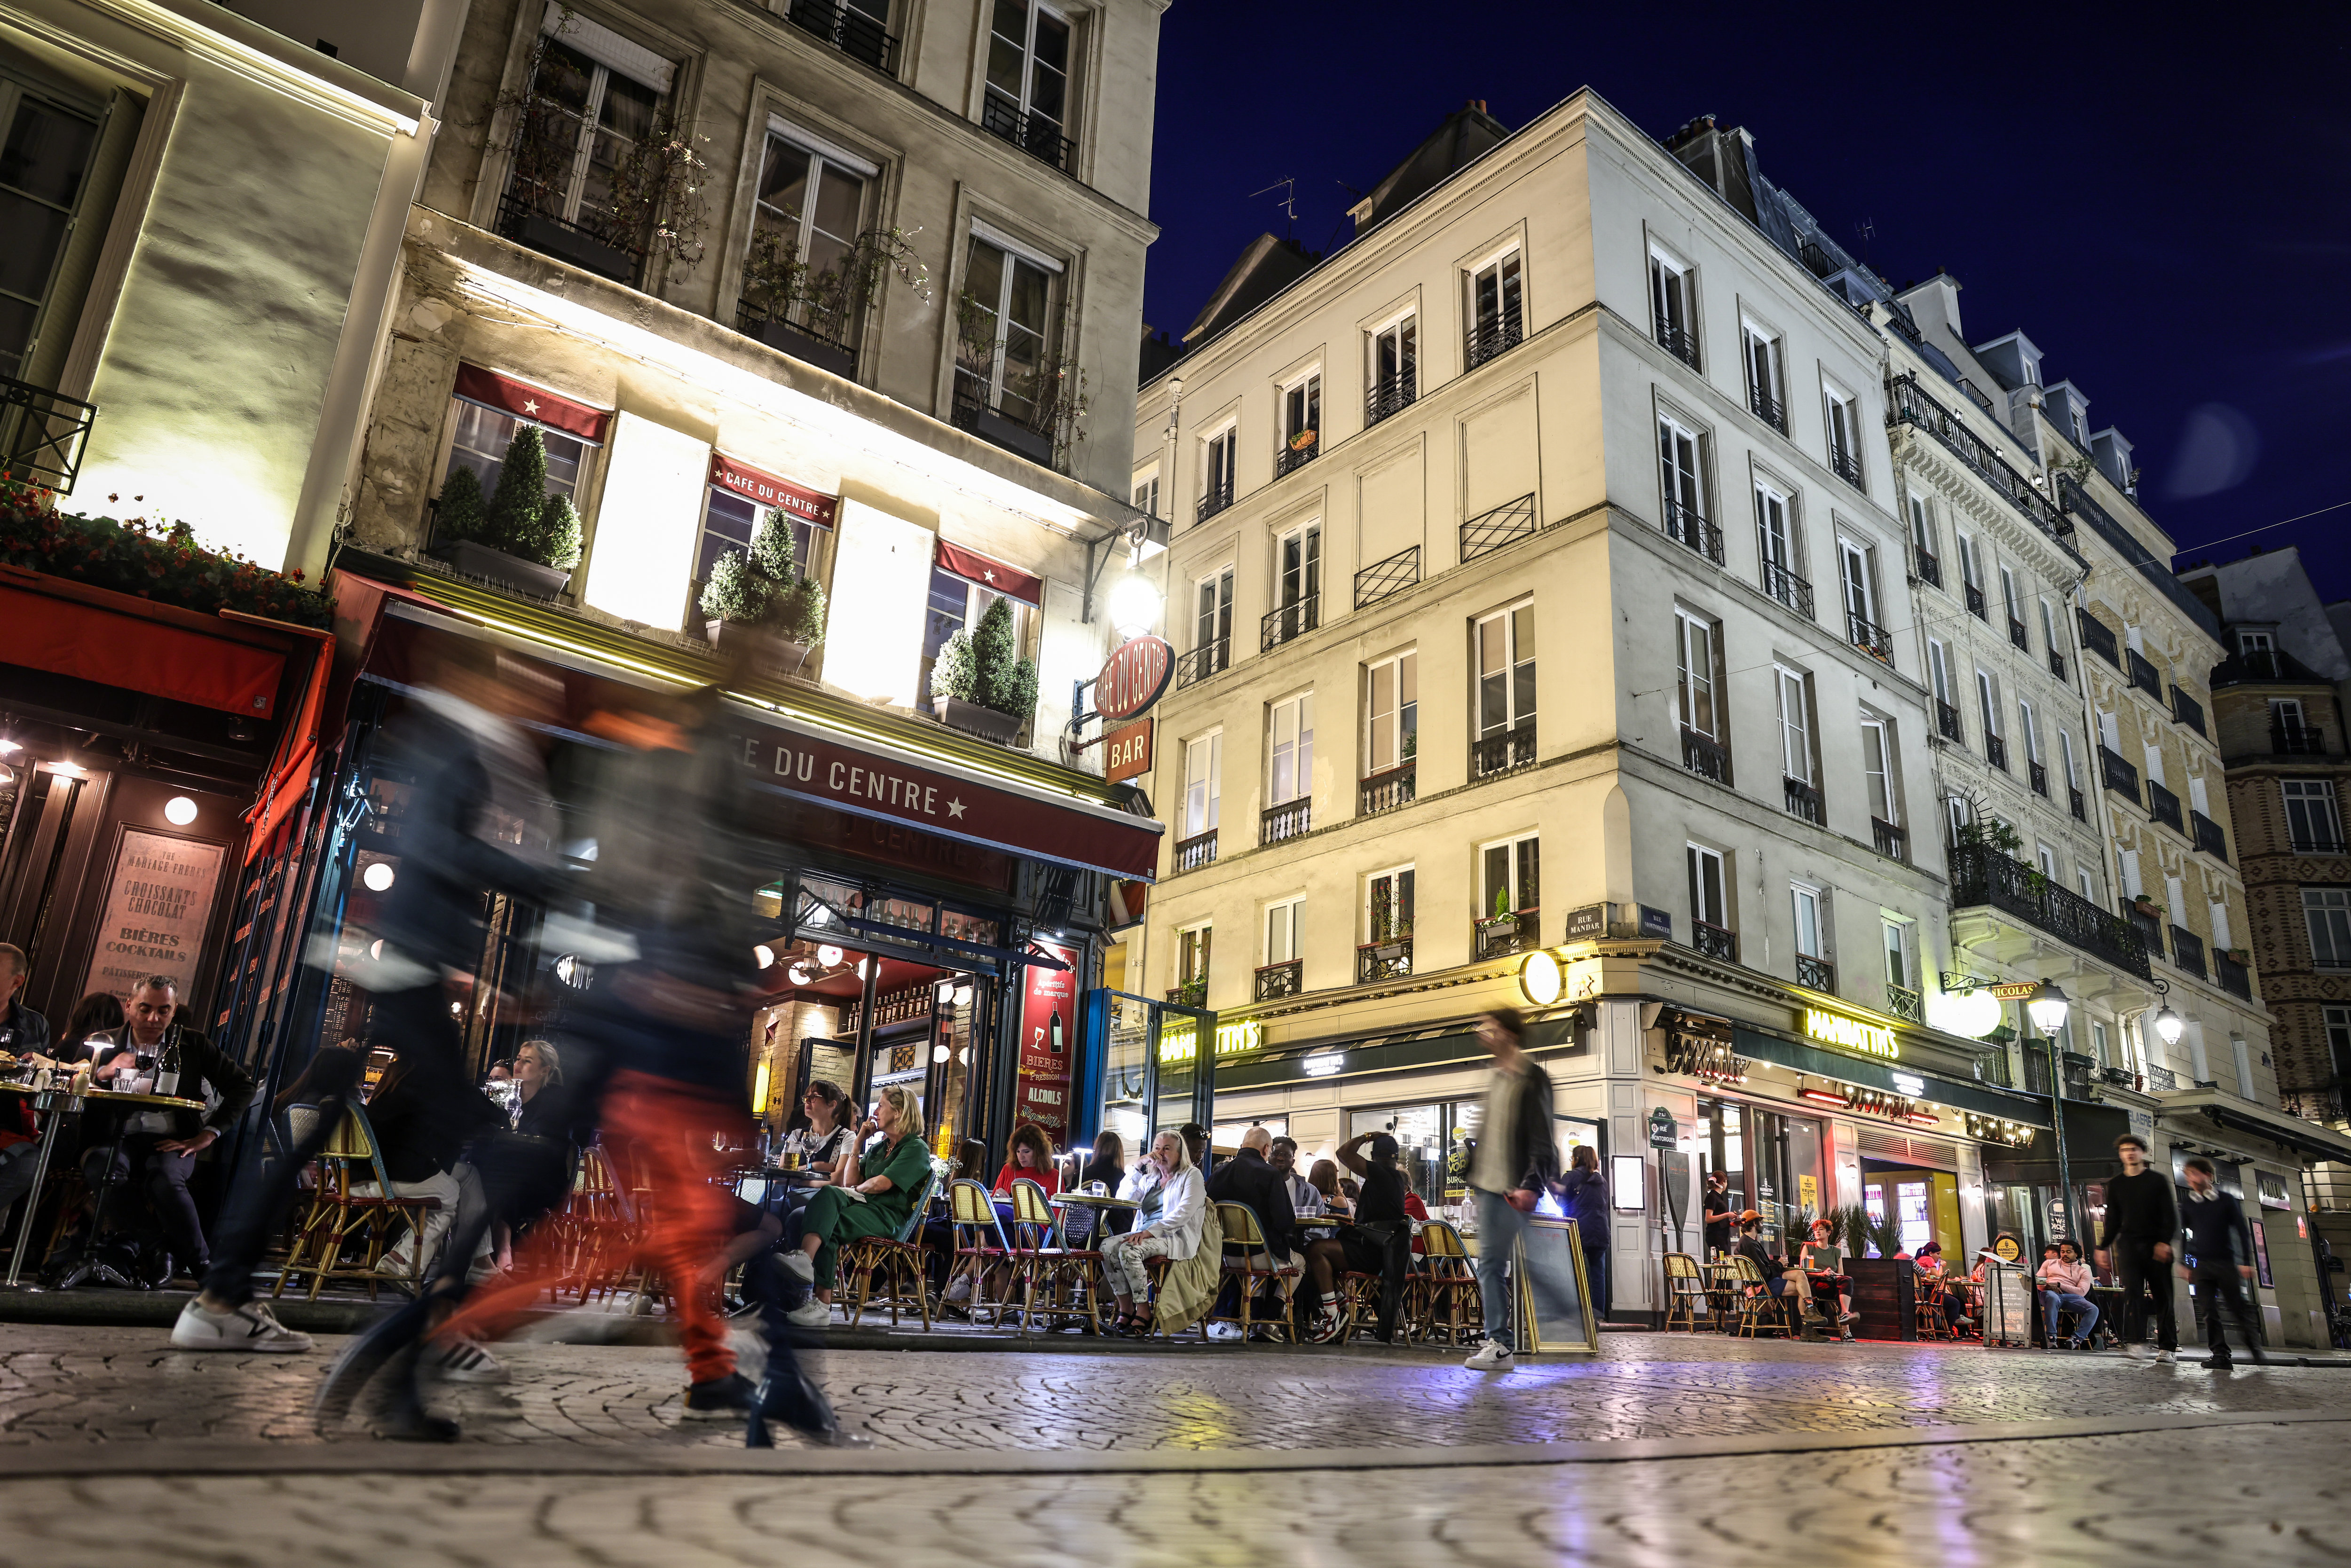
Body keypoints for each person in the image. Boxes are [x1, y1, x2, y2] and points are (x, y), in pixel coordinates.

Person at [179, 639, 563, 1356]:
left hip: (410, 967)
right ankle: (442, 1321)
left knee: (334, 1122)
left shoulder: (448, 743)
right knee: (480, 1128)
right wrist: (548, 881)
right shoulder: (461, 749)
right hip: (412, 967)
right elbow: (446, 853)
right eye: (524, 691)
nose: (536, 708)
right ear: (480, 682)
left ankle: (224, 1292)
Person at [81, 976, 254, 1284]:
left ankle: (202, 1265)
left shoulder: (194, 1044)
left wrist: (209, 1133)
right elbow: (72, 1083)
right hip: (117, 1136)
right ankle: (162, 1250)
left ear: (174, 1011)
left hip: (172, 1138)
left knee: (165, 1181)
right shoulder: (103, 1043)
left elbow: (242, 1086)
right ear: (129, 1005)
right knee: (102, 1168)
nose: (153, 1018)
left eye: (164, 1010)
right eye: (145, 1008)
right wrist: (103, 1072)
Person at [1464, 1007, 1573, 1371]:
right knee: (1499, 1262)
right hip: (1489, 1185)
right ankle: (1511, 1337)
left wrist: (1532, 1184)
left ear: (1508, 1035)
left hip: (1513, 1186)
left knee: (1507, 1262)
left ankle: (1511, 1338)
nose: (1484, 1035)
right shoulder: (1496, 1077)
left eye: (1490, 1030)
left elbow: (1541, 1137)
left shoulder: (1532, 1078)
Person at [783, 1083, 932, 1324]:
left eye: (881, 1106)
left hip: (889, 1217)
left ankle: (806, 1266)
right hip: (862, 1209)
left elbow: (881, 1184)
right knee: (826, 1220)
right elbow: (850, 1180)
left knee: (830, 1200)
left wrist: (853, 1191)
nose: (875, 1113)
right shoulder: (879, 1148)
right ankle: (820, 1303)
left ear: (898, 1112)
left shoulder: (916, 1147)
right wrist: (858, 1142)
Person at [1099, 1129, 1205, 1334]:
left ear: (1180, 1153)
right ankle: (1126, 1309)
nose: (1161, 1153)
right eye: (1157, 1148)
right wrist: (1138, 1166)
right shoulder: (1150, 1179)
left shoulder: (1192, 1176)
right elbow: (1123, 1199)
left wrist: (1151, 1232)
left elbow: (1184, 1213)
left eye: (1167, 1149)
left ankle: (1143, 1311)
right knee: (1107, 1247)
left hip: (1172, 1237)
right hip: (1142, 1233)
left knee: (1129, 1251)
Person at [1203, 1124, 1300, 1340]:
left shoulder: (1218, 1174)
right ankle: (1269, 1319)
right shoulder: (1270, 1174)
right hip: (1260, 1258)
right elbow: (1285, 1223)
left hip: (1225, 1257)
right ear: (1267, 1149)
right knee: (1300, 1263)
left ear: (1242, 1146)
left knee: (1258, 1270)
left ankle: (1253, 1319)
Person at [2096, 1132, 2179, 1363]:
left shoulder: (2157, 1181)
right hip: (2130, 1246)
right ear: (2121, 1155)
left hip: (2156, 1246)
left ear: (2142, 1153)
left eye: (2133, 1149)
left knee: (2163, 1296)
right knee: (2132, 1294)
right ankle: (2137, 1341)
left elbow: (2170, 1216)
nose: (2130, 1153)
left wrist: (2164, 1242)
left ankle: (2168, 1348)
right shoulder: (2116, 1184)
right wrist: (2103, 1246)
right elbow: (2113, 1219)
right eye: (2125, 1150)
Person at [0, 961, 66, 1249]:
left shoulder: (34, 1024)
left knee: (28, 1162)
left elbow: (37, 1082)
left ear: (17, 982)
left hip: (7, 1123)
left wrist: (37, 1070)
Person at [2179, 1155, 2266, 1368]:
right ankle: (2220, 1354)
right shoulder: (2189, 1203)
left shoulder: (2226, 1200)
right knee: (2209, 1310)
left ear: (2207, 1175)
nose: (2189, 1178)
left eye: (2194, 1174)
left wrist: (2246, 1261)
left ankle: (2254, 1348)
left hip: (2226, 1263)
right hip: (2203, 1266)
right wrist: (2183, 1262)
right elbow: (2183, 1233)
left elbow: (2242, 1232)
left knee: (2237, 1308)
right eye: (2187, 1174)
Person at [1333, 1130, 1412, 1342]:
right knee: (1321, 1254)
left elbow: (1343, 1153)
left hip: (1371, 1252)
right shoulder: (1394, 1177)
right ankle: (1341, 1309)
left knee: (1315, 1251)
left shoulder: (1379, 1173)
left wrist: (1367, 1136)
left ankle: (1334, 1312)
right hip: (1384, 1253)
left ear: (1374, 1157)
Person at [1559, 1145, 1609, 1321]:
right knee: (1598, 1273)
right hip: (1601, 1231)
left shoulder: (1570, 1177)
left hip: (1578, 1229)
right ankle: (1596, 1313)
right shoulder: (1601, 1180)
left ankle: (1573, 1312)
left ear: (1576, 1159)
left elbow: (1561, 1203)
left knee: (1573, 1271)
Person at [1798, 1218, 1859, 1334]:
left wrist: (1833, 1274)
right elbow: (1803, 1272)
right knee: (1845, 1291)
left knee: (1848, 1280)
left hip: (1832, 1282)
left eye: (1821, 1229)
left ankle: (1845, 1314)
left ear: (1829, 1233)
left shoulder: (1836, 1251)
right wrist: (1822, 1274)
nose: (1817, 1231)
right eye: (1816, 1230)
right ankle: (1846, 1331)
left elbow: (1841, 1274)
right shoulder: (1809, 1247)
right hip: (1815, 1283)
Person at [2038, 1241, 2100, 1349]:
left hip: (2072, 1297)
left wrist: (2060, 1285)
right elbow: (2038, 1282)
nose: (2064, 1254)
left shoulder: (2083, 1272)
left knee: (2093, 1309)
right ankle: (2051, 1338)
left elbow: (2081, 1292)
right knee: (2052, 1297)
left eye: (2068, 1252)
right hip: (2050, 1293)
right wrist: (2048, 1286)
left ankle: (2076, 1339)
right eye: (2062, 1252)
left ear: (2076, 1254)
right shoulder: (2049, 1264)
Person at [992, 1121, 1060, 1198]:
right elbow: (992, 1203)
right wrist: (997, 1196)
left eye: (1026, 1152)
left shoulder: (1054, 1175)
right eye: (1018, 1152)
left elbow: (1059, 1209)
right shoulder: (1008, 1169)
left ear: (1039, 1152)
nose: (1021, 1157)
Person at [1702, 1170, 1733, 1256]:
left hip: (1722, 1235)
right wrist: (1727, 1215)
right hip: (1716, 1236)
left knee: (1724, 1262)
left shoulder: (1718, 1197)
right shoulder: (1712, 1197)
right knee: (1723, 1262)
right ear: (1723, 1182)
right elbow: (1708, 1219)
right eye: (1726, 1182)